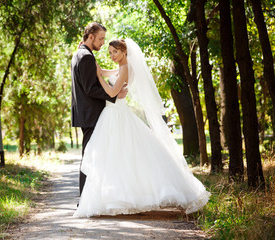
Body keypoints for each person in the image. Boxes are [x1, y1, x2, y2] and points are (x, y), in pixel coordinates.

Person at [73, 39, 210, 217]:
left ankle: (125, 197)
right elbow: (108, 72)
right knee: (117, 157)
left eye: (115, 52)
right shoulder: (123, 67)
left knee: (118, 156)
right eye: (110, 53)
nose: (112, 56)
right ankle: (116, 196)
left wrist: (99, 77)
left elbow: (112, 93)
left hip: (116, 114)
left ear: (124, 51)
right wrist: (93, 64)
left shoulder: (125, 68)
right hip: (113, 114)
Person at [71, 23, 128, 196]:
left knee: (91, 156)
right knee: (89, 157)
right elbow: (90, 88)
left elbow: (96, 78)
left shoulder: (79, 53)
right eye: (101, 38)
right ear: (91, 37)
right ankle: (85, 199)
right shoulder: (86, 57)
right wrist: (114, 96)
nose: (103, 43)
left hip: (85, 114)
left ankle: (91, 197)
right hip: (91, 115)